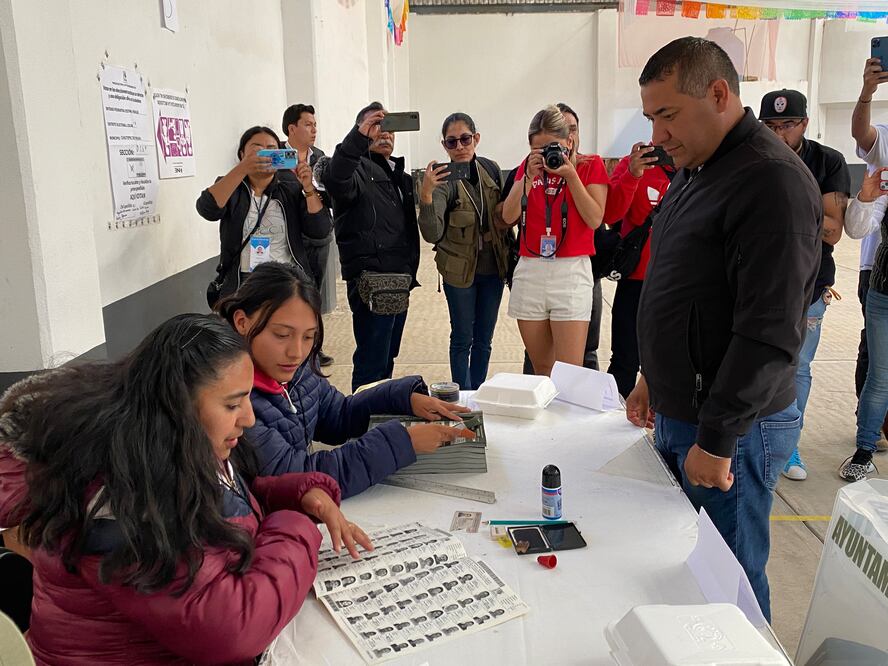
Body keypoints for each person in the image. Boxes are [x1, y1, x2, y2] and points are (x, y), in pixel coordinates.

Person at [0, 314, 372, 664]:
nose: (249, 417)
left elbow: (230, 501)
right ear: (177, 409)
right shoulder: (121, 504)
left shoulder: (175, 448)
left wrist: (302, 495)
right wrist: (295, 527)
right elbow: (231, 630)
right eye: (232, 404)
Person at [626, 37, 821, 621]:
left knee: (728, 574)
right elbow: (679, 286)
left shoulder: (770, 182)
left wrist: (717, 437)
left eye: (668, 115)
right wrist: (651, 377)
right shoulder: (699, 165)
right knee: (689, 563)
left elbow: (768, 332)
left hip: (733, 424)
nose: (658, 136)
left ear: (718, 94)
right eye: (651, 118)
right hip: (687, 408)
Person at [218, 262, 475, 499]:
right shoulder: (233, 400)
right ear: (242, 322)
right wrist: (403, 442)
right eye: (282, 334)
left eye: (309, 337)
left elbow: (338, 416)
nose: (296, 352)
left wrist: (403, 398)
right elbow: (297, 476)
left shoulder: (296, 368)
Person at [758, 88, 850, 481]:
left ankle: (789, 448)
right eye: (772, 126)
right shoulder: (751, 158)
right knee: (756, 362)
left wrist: (781, 215)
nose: (779, 134)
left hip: (808, 286)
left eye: (788, 125)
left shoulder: (827, 161)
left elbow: (832, 231)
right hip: (757, 283)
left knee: (798, 367)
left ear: (804, 124)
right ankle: (756, 437)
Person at [501, 105, 608, 377]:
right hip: (531, 269)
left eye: (555, 146)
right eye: (539, 148)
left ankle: (570, 420)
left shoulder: (590, 165)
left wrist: (570, 174)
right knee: (542, 370)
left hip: (571, 271)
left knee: (569, 372)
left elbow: (595, 218)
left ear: (569, 141)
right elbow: (509, 215)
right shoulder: (528, 169)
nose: (548, 154)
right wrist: (526, 178)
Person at [324, 103, 421, 392]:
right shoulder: (354, 168)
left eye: (390, 129)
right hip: (370, 279)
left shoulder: (400, 176)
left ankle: (379, 415)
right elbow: (336, 178)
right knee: (371, 358)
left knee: (388, 355)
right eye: (377, 128)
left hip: (398, 278)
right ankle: (362, 423)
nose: (385, 134)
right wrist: (358, 138)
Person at [418, 113, 510, 390]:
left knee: (484, 339)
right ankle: (463, 397)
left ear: (476, 139)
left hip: (493, 268)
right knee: (462, 338)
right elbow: (432, 233)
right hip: (459, 273)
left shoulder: (491, 169)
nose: (459, 147)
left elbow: (506, 215)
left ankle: (478, 391)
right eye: (451, 142)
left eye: (465, 139)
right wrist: (425, 196)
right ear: (444, 145)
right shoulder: (443, 179)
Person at [196, 126, 331, 306]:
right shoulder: (231, 187)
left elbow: (320, 230)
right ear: (242, 153)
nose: (266, 153)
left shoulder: (290, 188)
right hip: (243, 283)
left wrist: (308, 188)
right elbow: (207, 209)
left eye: (272, 149)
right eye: (257, 148)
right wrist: (242, 169)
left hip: (286, 280)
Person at [840, 56, 888, 481]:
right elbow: (861, 132)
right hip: (881, 281)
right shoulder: (885, 148)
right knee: (878, 367)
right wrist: (867, 92)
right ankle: (865, 447)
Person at [602, 142, 674, 398]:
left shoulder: (700, 165)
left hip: (681, 282)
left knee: (672, 362)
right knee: (624, 358)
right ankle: (616, 424)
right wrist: (633, 174)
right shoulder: (634, 163)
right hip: (636, 280)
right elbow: (610, 215)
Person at [280, 104, 339, 362]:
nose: (314, 129)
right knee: (292, 293)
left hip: (319, 233)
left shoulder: (320, 158)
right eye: (308, 124)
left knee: (313, 292)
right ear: (292, 128)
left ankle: (315, 347)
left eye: (315, 125)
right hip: (290, 237)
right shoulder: (278, 157)